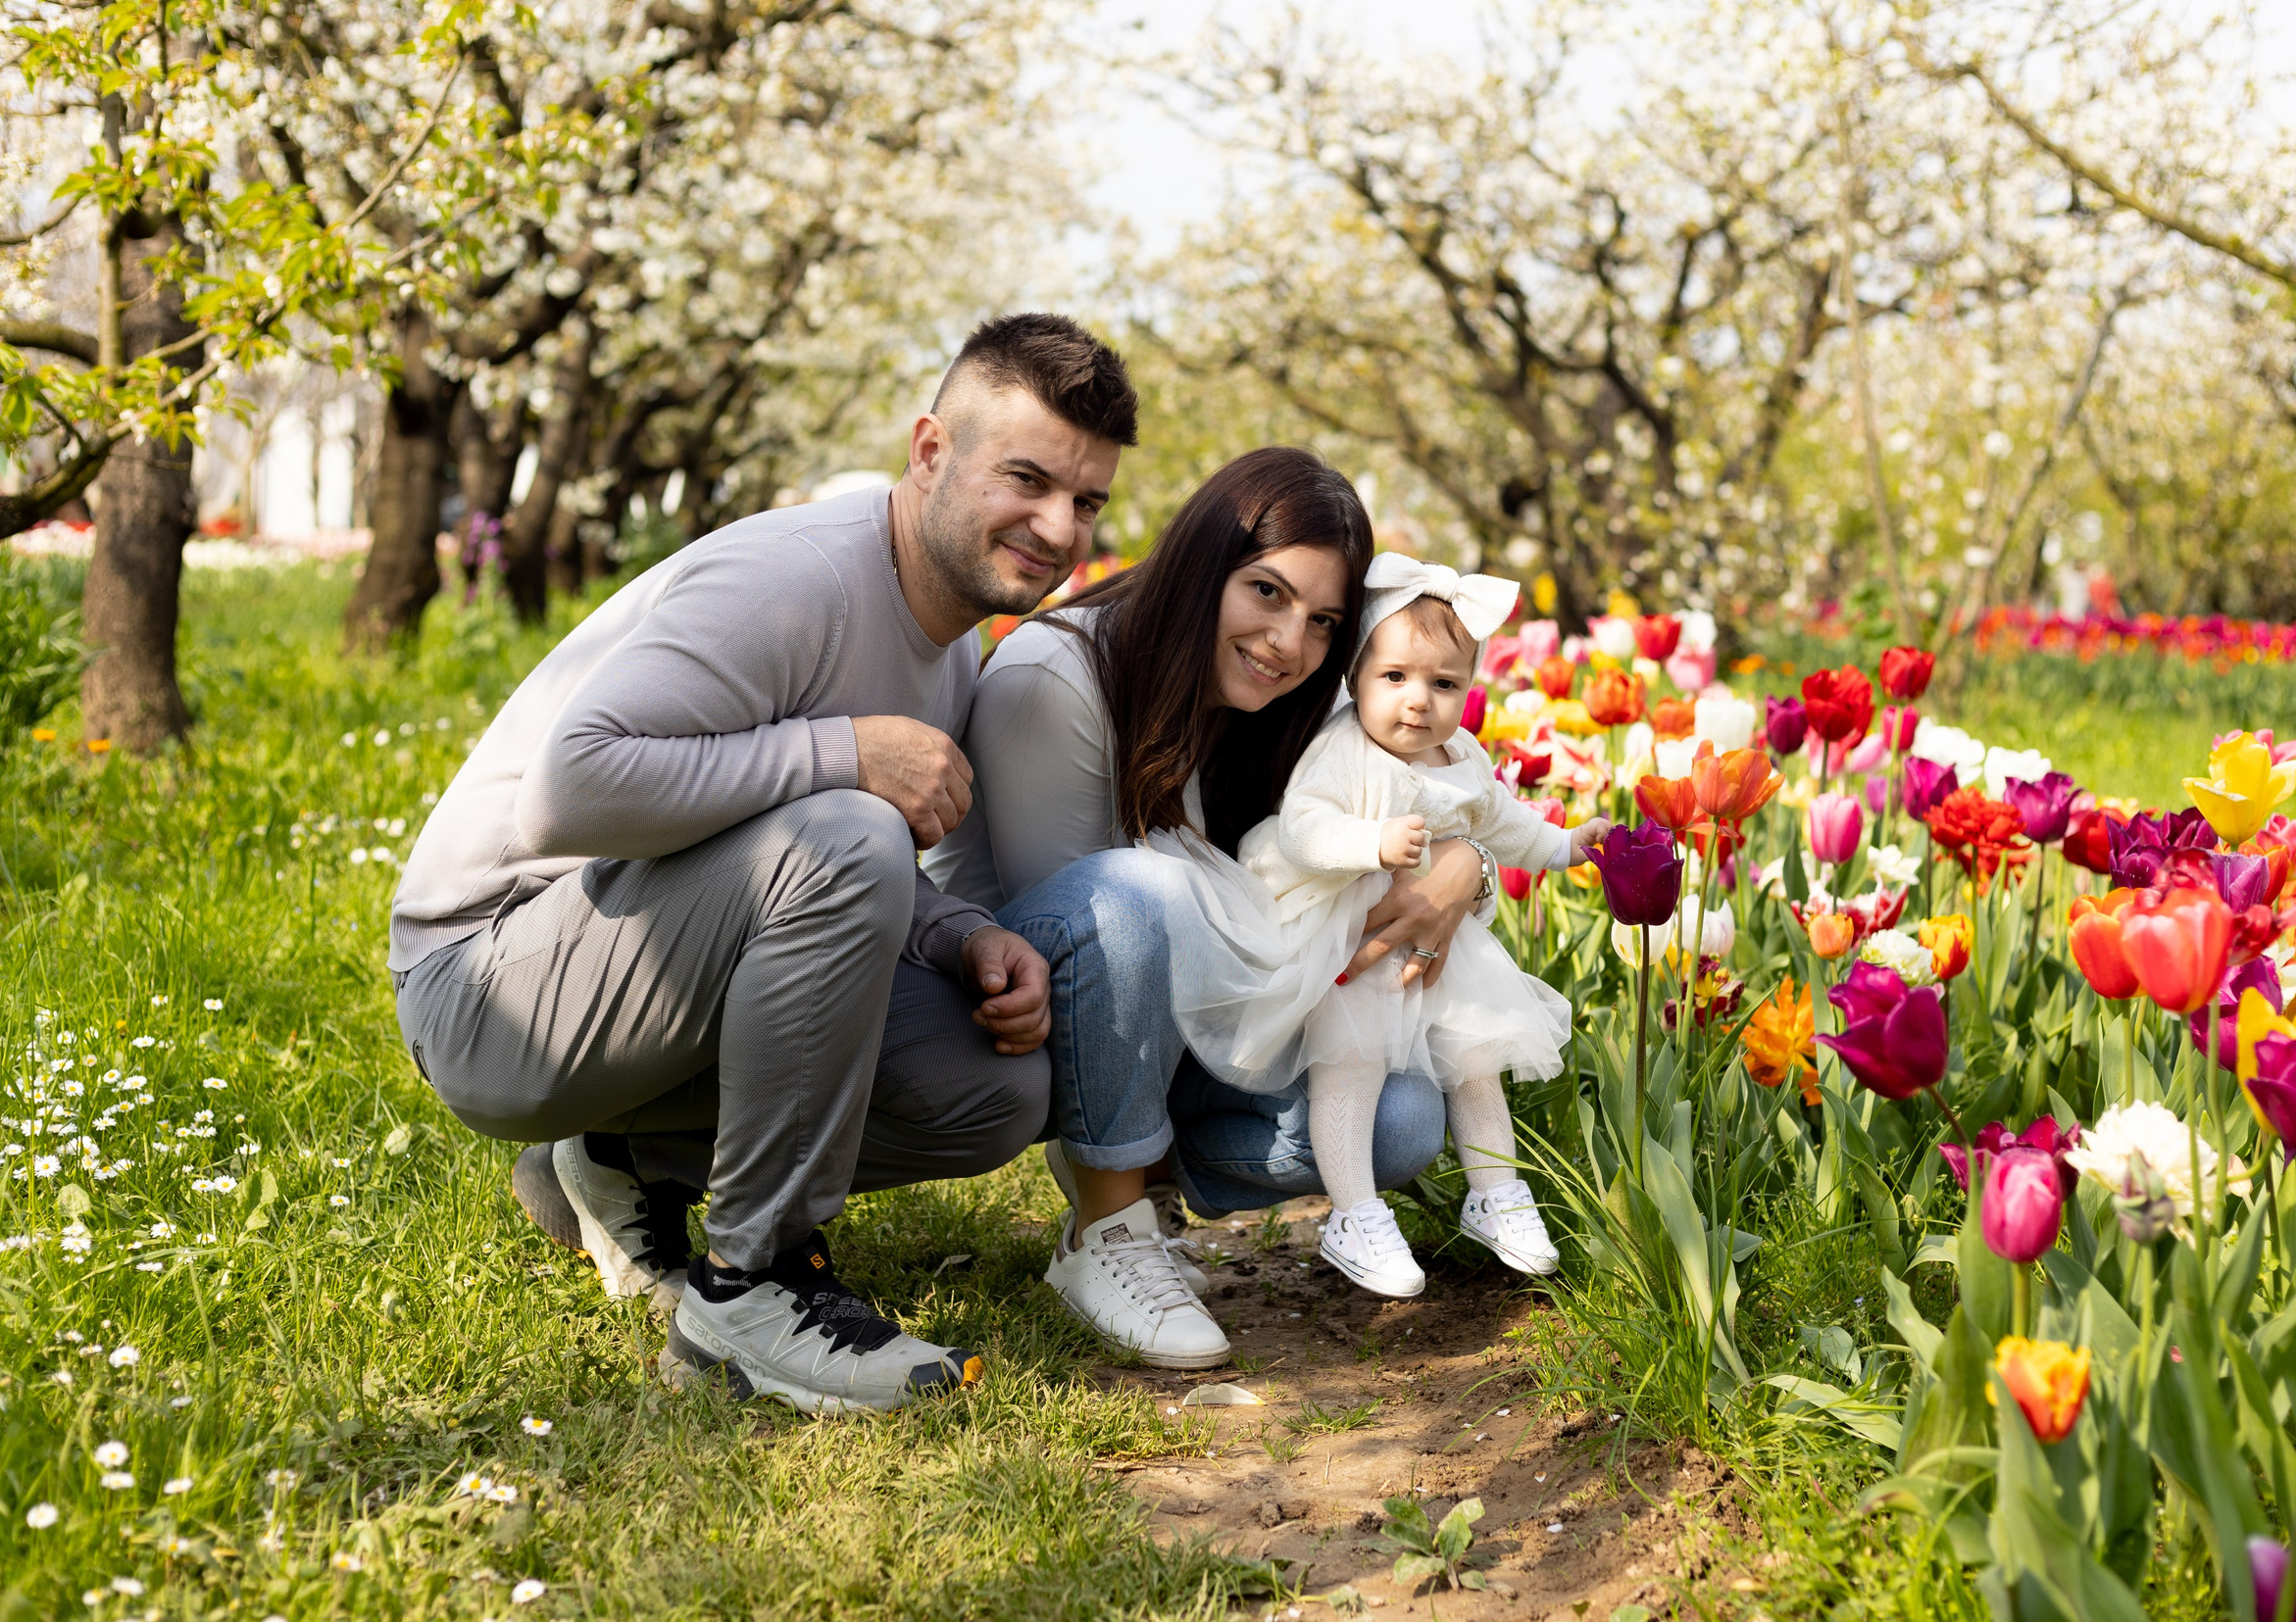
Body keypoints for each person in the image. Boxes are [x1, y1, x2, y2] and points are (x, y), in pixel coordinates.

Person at [390, 314, 1133, 1413]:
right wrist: (845, 754)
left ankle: (620, 1161)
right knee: (848, 827)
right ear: (931, 452)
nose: (1057, 524)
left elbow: (815, 875)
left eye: (1086, 502)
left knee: (1000, 1085)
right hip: (492, 985)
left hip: (636, 971)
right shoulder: (796, 580)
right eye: (1026, 478)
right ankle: (749, 1292)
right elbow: (570, 790)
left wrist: (966, 935)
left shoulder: (954, 646)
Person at [927, 450, 1492, 1369]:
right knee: (1139, 888)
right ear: (1202, 565)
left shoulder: (1276, 700)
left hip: (1182, 997)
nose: (1287, 642)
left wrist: (1466, 863)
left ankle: (1150, 1186)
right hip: (1004, 999)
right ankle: (1109, 1228)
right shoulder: (1056, 675)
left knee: (1400, 1122)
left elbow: (1449, 787)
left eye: (1321, 622)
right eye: (1265, 592)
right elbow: (1087, 935)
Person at [1149, 554, 1603, 1296]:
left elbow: (1505, 821)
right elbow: (1301, 829)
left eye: (1444, 682)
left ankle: (1495, 1194)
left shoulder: (1461, 757)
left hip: (1429, 945)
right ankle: (1353, 1211)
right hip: (1339, 940)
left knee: (1476, 1054)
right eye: (1394, 677)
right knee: (1351, 1063)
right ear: (1355, 677)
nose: (1417, 702)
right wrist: (1371, 844)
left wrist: (1565, 845)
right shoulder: (1341, 747)